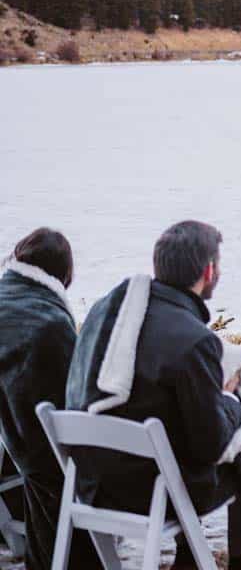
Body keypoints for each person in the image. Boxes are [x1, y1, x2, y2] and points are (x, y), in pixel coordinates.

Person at [67, 221, 241, 570]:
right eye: (219, 265)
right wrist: (230, 403)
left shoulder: (113, 316)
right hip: (155, 494)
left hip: (93, 482)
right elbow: (210, 445)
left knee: (187, 425)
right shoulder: (194, 340)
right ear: (208, 271)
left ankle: (191, 554)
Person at [0, 229, 99, 570]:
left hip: (11, 437)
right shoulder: (50, 323)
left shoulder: (7, 298)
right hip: (37, 445)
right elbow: (75, 397)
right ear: (63, 274)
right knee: (65, 471)